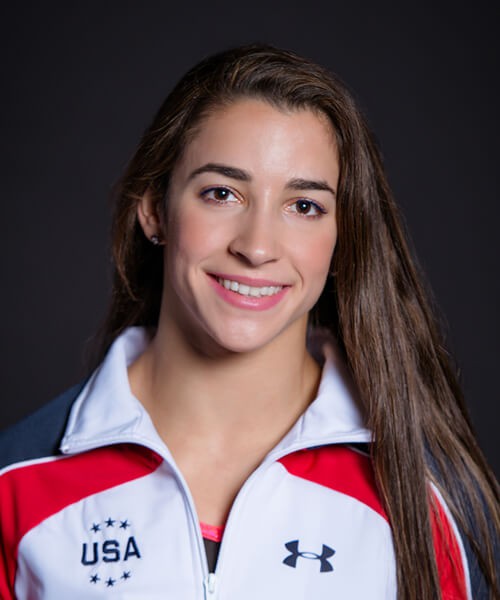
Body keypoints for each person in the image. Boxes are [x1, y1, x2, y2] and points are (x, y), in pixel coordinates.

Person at [0, 44, 498, 599]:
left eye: (304, 206)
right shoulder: (15, 482)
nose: (258, 247)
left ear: (343, 238)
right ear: (155, 210)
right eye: (222, 194)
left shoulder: (431, 497)